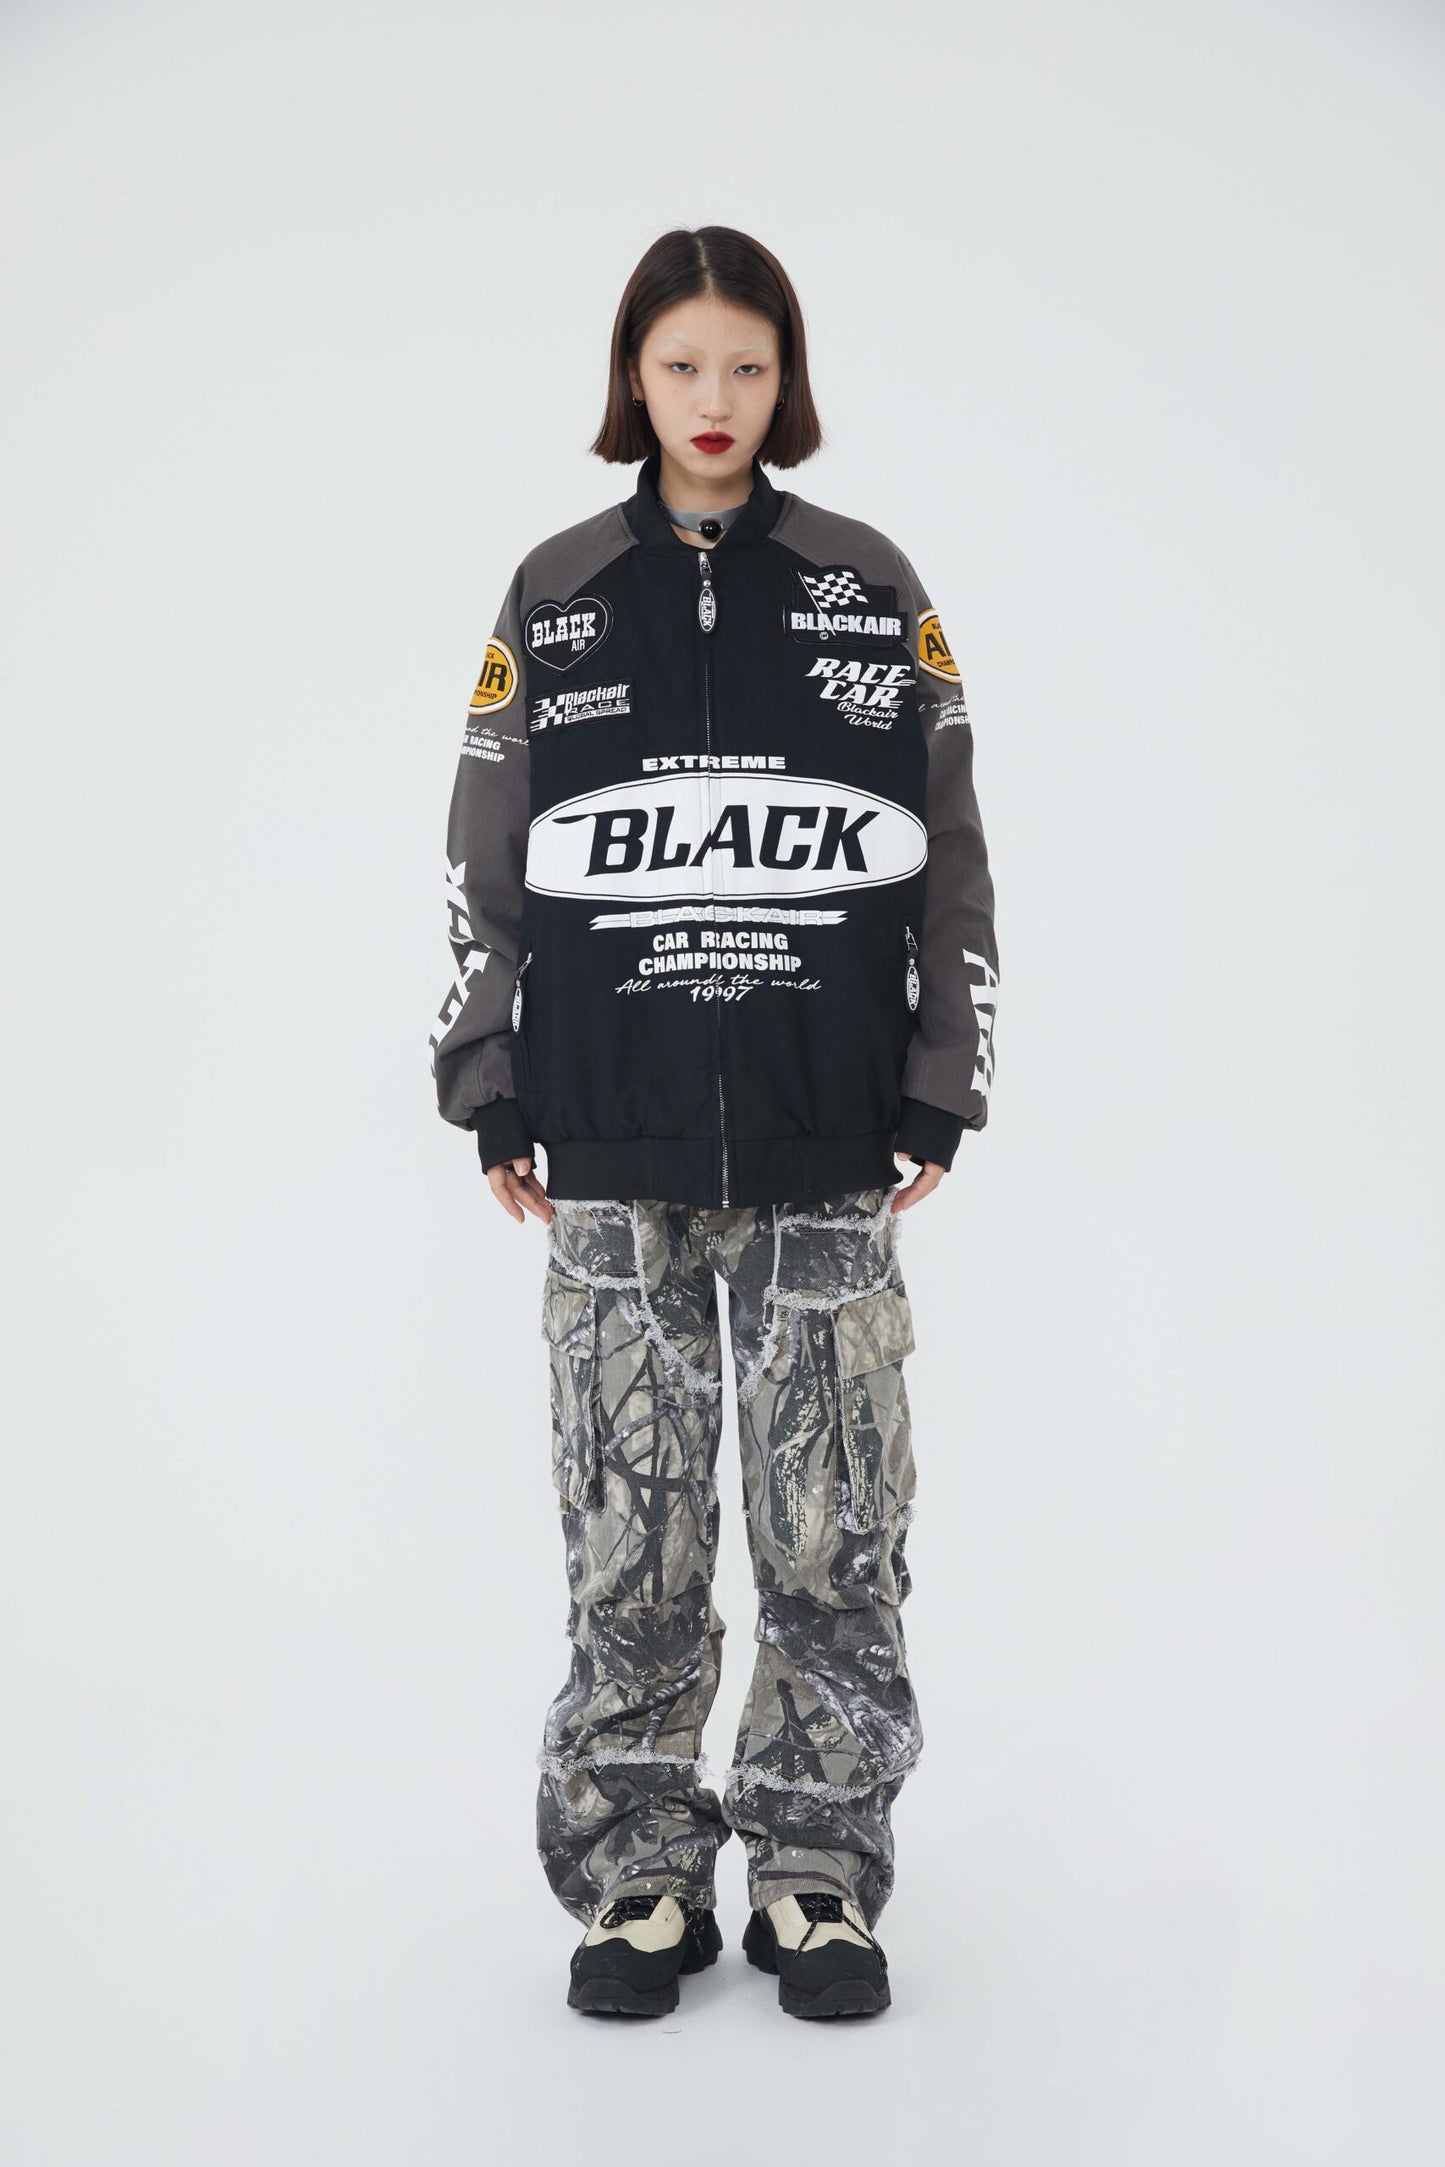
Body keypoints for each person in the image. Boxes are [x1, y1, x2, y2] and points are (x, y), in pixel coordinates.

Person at [429, 225, 999, 2021]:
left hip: (831, 1140)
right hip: (607, 1138)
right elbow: (484, 858)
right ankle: (641, 1878)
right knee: (633, 1536)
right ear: (633, 374)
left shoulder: (863, 584)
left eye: (746, 366)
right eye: (682, 365)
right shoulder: (557, 592)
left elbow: (948, 852)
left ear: (785, 379)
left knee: (833, 1529)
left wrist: (942, 1072)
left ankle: (818, 1874)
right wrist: (487, 1077)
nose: (714, 399)